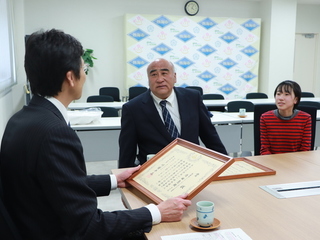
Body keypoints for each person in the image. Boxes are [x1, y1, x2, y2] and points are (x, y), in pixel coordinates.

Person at [0, 29, 191, 240]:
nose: (85, 74)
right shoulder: (55, 133)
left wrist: (113, 180)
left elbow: (58, 184)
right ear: (71, 77)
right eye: (84, 68)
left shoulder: (21, 119)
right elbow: (89, 226)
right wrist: (157, 212)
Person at [119, 58, 227, 168]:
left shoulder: (193, 98)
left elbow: (210, 136)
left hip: (193, 166)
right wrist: (123, 178)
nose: (160, 79)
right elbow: (127, 150)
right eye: (154, 75)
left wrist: (226, 164)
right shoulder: (133, 108)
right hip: (155, 170)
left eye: (164, 73)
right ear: (148, 79)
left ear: (174, 77)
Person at [260, 80, 312, 155]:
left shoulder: (305, 118)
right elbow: (265, 150)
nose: (281, 98)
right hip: (271, 162)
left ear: (296, 100)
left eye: (286, 94)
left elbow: (305, 150)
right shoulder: (265, 118)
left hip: (296, 163)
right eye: (278, 94)